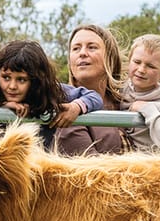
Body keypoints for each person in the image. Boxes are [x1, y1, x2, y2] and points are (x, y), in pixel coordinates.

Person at [0, 39, 105, 132]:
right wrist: (0, 106)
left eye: (21, 80)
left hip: (39, 159)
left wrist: (76, 107)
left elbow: (94, 97)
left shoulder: (52, 93)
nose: (12, 86)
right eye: (6, 77)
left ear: (36, 80)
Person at [54, 23, 131, 156]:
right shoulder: (66, 107)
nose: (83, 53)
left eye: (92, 47)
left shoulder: (128, 102)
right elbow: (90, 170)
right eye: (76, 48)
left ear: (110, 57)